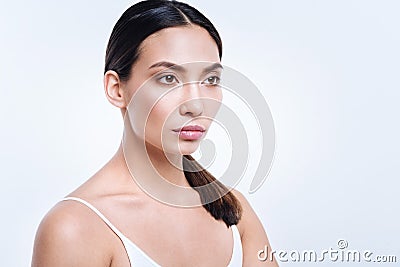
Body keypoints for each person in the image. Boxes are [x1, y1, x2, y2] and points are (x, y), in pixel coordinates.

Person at [31, 1, 278, 266]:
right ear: (116, 89)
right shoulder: (75, 228)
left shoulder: (234, 213)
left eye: (210, 80)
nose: (195, 105)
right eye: (169, 78)